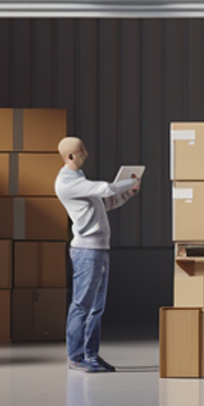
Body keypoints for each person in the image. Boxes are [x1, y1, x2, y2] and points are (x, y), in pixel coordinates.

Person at [54, 136, 140, 373]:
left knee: (97, 307)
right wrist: (127, 181)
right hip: (86, 251)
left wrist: (129, 191)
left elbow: (106, 202)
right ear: (70, 156)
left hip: (100, 248)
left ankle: (91, 355)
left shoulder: (80, 180)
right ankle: (76, 357)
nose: (86, 154)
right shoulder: (66, 182)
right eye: (82, 151)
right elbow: (106, 188)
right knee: (81, 305)